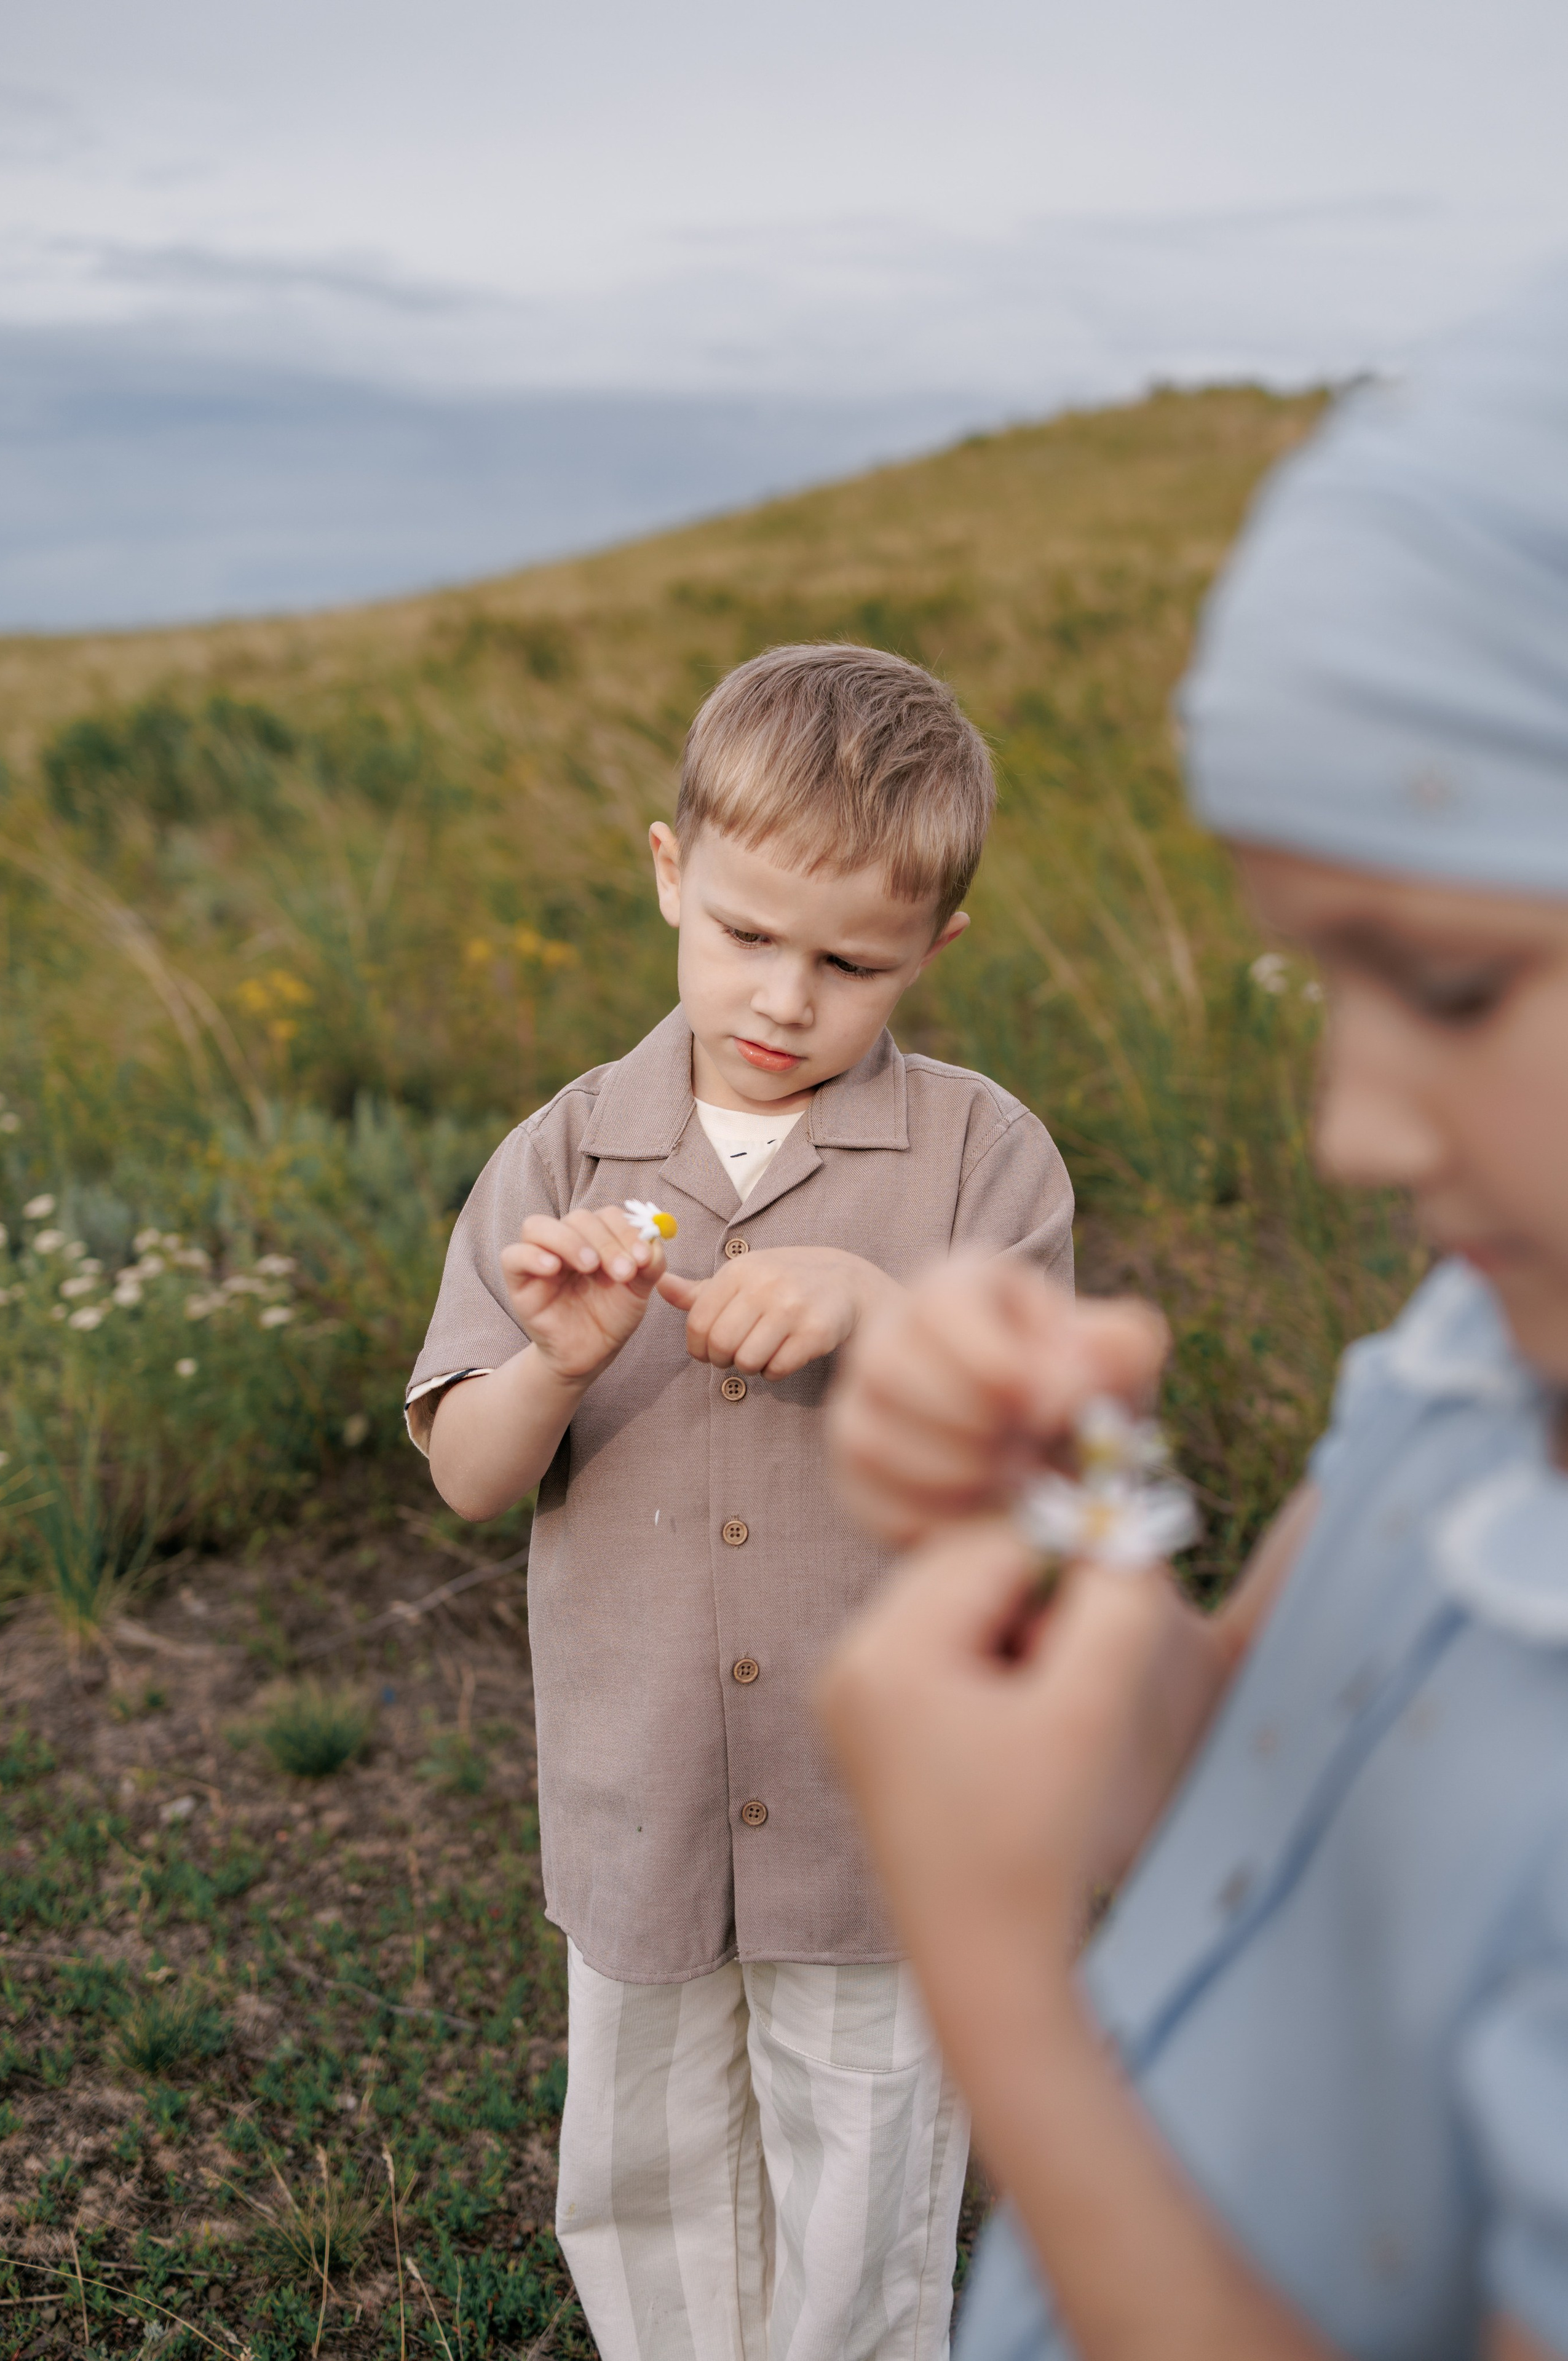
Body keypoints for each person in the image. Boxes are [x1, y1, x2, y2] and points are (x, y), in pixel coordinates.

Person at [818, 269, 1568, 2361]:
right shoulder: (1481, 1346)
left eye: (1442, 985)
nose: (1348, 1125)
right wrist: (1063, 1523)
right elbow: (1238, 1772)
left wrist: (994, 1985)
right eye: (1314, 980)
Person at [406, 643, 1075, 2361]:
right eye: (744, 935)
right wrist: (551, 1365)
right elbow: (472, 1476)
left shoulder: (981, 1160)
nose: (785, 997)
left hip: (877, 1823)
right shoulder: (565, 1156)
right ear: (667, 877)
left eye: (850, 962)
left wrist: (886, 1319)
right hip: (643, 1809)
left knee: (866, 2194)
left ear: (935, 949)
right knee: (652, 2186)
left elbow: (1047, 1460)